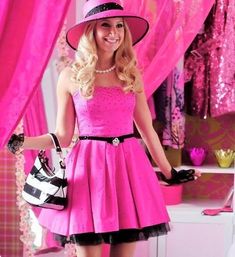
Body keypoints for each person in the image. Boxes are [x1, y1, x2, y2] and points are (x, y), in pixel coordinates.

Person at [7, 0, 201, 256]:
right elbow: (63, 137)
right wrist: (24, 142)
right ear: (91, 32)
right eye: (105, 25)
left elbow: (147, 130)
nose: (114, 32)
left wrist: (168, 172)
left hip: (128, 169)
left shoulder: (131, 74)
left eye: (119, 25)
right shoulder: (71, 76)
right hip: (89, 171)